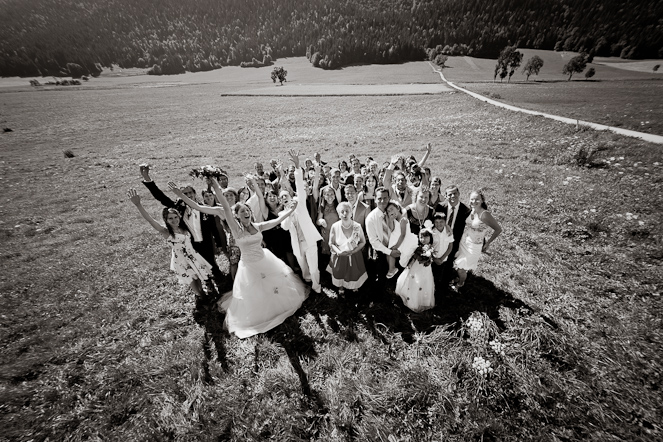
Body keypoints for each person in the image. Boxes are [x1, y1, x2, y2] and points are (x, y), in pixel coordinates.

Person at [169, 179, 308, 339]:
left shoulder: (257, 226)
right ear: (236, 216)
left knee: (276, 285)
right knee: (255, 291)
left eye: (247, 210)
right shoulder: (236, 229)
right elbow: (213, 207)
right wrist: (209, 189)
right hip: (249, 266)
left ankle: (280, 305)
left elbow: (276, 221)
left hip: (265, 261)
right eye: (242, 212)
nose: (246, 213)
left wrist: (291, 210)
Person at [139, 165, 225, 288]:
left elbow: (213, 227)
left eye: (190, 192)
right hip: (192, 246)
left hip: (206, 242)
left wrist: (219, 244)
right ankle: (206, 287)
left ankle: (221, 282)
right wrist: (148, 179)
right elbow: (160, 197)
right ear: (180, 195)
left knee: (212, 264)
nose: (188, 195)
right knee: (198, 268)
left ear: (195, 194)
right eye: (185, 193)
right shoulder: (178, 209)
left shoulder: (204, 208)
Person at [127, 189, 212, 302]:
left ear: (179, 217)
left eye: (175, 217)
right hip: (182, 261)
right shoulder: (166, 232)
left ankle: (202, 293)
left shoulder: (184, 228)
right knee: (192, 281)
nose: (174, 220)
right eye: (170, 218)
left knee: (198, 278)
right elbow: (150, 220)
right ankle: (201, 299)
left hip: (193, 256)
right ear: (166, 220)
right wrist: (138, 205)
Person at [280, 150, 324, 293]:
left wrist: (298, 167)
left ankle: (316, 286)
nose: (285, 199)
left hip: (309, 241)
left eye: (287, 196)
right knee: (303, 265)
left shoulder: (300, 204)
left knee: (313, 266)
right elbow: (285, 227)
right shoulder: (283, 214)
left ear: (291, 196)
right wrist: (288, 213)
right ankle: (307, 280)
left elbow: (299, 186)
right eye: (283, 198)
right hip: (297, 244)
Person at [453, 190, 503, 288]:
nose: (474, 201)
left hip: (474, 245)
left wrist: (488, 243)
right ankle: (460, 278)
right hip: (464, 242)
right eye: (472, 199)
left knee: (461, 269)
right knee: (459, 264)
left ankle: (460, 283)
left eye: (477, 199)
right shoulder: (472, 210)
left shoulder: (484, 214)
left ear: (482, 200)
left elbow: (498, 229)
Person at [365, 187, 401, 292]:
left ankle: (396, 291)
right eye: (379, 198)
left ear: (389, 198)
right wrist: (390, 252)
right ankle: (382, 297)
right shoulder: (371, 218)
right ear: (375, 199)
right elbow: (374, 242)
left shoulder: (393, 211)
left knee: (397, 273)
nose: (382, 201)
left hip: (395, 246)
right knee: (381, 275)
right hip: (380, 250)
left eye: (385, 198)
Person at [327, 202, 367, 294]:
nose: (345, 214)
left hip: (354, 254)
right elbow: (331, 243)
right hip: (340, 255)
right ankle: (341, 288)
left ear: (351, 213)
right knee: (340, 272)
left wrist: (354, 251)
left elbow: (363, 242)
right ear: (339, 213)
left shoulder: (357, 226)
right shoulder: (335, 226)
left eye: (347, 211)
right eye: (342, 211)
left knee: (354, 272)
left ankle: (354, 286)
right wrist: (339, 252)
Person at [395, 229, 436, 312]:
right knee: (414, 282)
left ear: (430, 237)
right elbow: (414, 258)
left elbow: (432, 257)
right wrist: (409, 266)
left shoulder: (431, 247)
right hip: (416, 268)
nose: (423, 240)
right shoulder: (418, 248)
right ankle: (412, 302)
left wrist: (429, 258)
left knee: (424, 283)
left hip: (426, 269)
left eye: (426, 237)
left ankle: (423, 301)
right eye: (421, 237)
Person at [436, 185, 471, 282]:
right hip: (440, 239)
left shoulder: (466, 211)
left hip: (454, 241)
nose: (452, 196)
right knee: (437, 261)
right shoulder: (440, 207)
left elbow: (473, 227)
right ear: (446, 196)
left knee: (448, 263)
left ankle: (444, 284)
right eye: (449, 194)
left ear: (459, 194)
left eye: (454, 193)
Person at [385, 200, 418, 278]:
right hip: (397, 238)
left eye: (392, 209)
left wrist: (396, 246)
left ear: (398, 208)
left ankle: (392, 268)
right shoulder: (395, 220)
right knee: (388, 254)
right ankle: (392, 268)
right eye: (388, 211)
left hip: (404, 239)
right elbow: (391, 229)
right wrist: (390, 220)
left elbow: (403, 235)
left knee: (391, 252)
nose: (390, 212)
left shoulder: (403, 220)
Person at [317, 186, 339, 258]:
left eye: (331, 194)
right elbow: (317, 221)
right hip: (326, 234)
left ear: (335, 196)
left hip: (336, 234)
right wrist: (321, 221)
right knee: (327, 257)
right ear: (324, 196)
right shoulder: (322, 207)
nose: (330, 196)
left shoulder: (338, 206)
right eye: (327, 194)